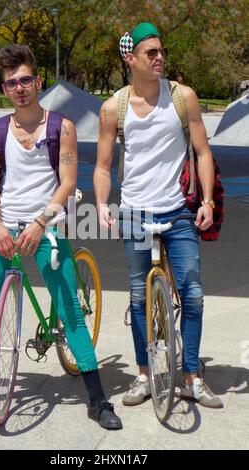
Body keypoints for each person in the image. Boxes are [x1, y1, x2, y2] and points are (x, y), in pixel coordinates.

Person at [0, 44, 122, 430]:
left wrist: (41, 222)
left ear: (38, 81)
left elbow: (69, 183)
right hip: (5, 226)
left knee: (69, 311)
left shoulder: (62, 127)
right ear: (5, 88)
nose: (20, 88)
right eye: (12, 83)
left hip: (47, 226)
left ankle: (97, 400)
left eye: (25, 79)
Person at [94, 22, 223, 409]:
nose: (160, 57)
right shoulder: (112, 107)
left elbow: (202, 152)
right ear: (131, 59)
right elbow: (102, 167)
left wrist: (207, 201)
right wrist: (102, 204)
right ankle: (144, 375)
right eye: (151, 53)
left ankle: (191, 377)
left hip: (179, 209)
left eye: (161, 51)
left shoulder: (183, 97)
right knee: (137, 297)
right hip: (135, 211)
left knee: (194, 295)